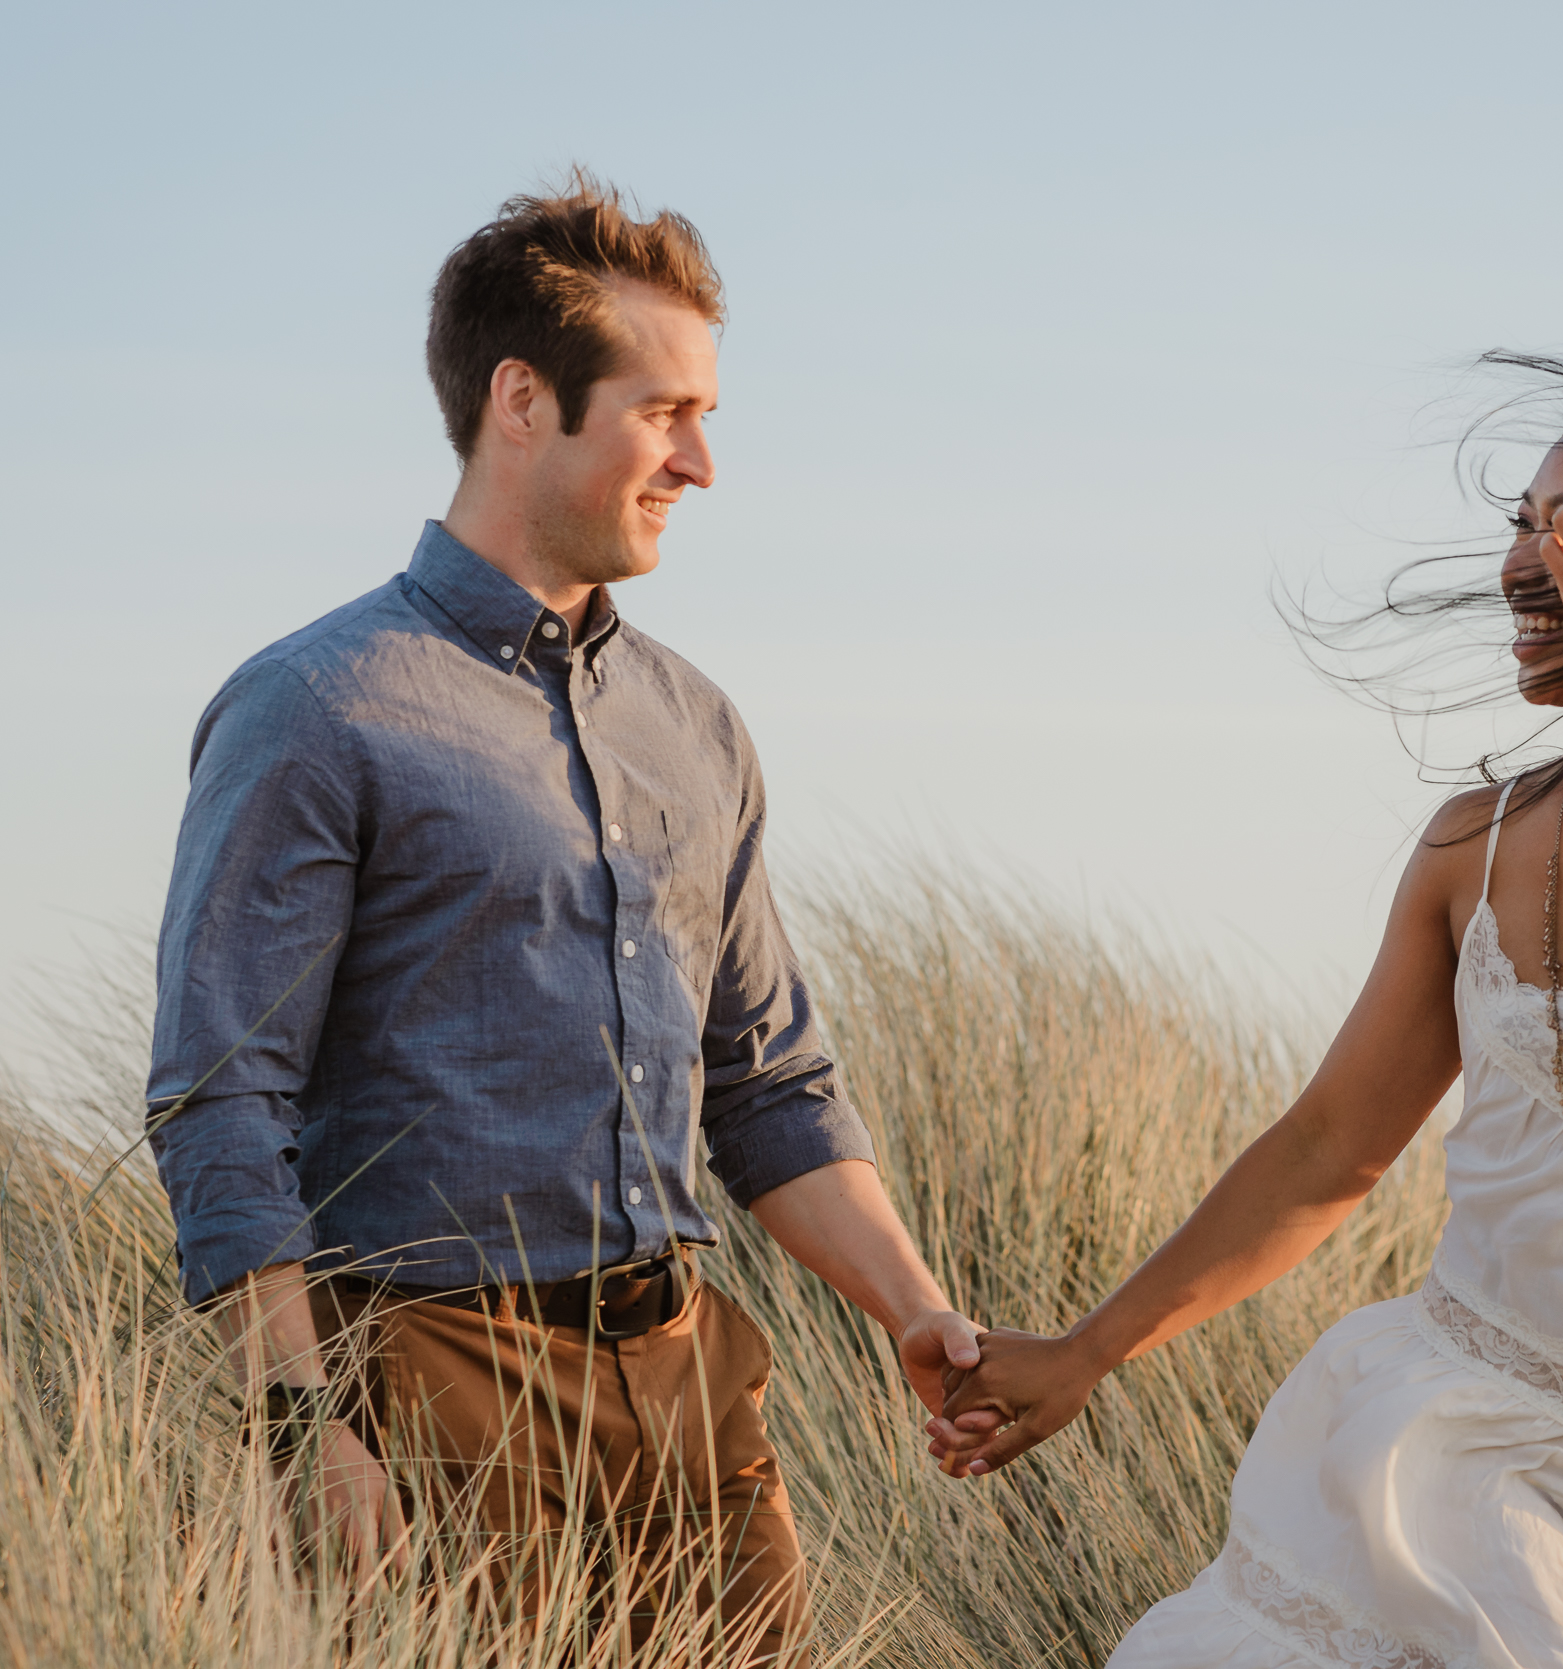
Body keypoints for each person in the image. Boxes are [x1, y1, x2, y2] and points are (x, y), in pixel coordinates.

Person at [926, 359, 1563, 1666]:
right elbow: (1331, 1142)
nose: (1517, 566)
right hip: (1453, 1424)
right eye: (1522, 520)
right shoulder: (1474, 838)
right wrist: (1087, 1350)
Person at [145, 176, 982, 1661]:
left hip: (688, 1372)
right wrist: (307, 1430)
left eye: (705, 412)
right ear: (522, 399)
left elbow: (768, 1083)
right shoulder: (316, 706)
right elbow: (222, 1098)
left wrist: (917, 1312)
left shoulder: (697, 725)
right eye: (665, 412)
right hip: (436, 1375)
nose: (704, 460)